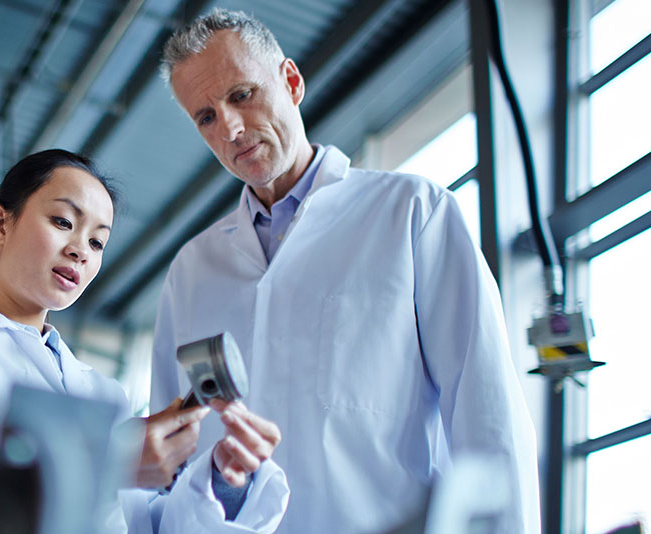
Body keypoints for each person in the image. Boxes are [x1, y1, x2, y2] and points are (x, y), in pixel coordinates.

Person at [149, 9, 541, 533]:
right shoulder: (193, 271)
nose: (231, 129)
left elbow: (487, 415)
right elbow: (166, 461)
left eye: (241, 95)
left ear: (291, 81)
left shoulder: (412, 214)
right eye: (206, 117)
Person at [0, 149, 289, 534]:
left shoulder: (101, 392)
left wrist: (228, 483)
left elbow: (142, 526)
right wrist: (100, 464)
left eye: (98, 242)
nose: (81, 250)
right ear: (0, 224)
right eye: (63, 221)